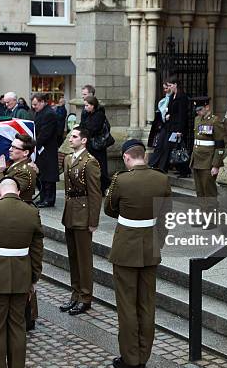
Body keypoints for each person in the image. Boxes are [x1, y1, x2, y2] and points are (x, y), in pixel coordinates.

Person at [104, 139, 171, 368]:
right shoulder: (161, 179)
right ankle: (143, 356)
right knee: (146, 304)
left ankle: (130, 358)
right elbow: (165, 216)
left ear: (126, 157)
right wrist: (157, 241)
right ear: (145, 156)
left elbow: (109, 208)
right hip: (150, 248)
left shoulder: (121, 180)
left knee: (127, 306)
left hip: (125, 248)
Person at [0, 178, 43, 368]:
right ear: (18, 192)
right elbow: (37, 250)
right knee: (18, 326)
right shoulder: (32, 212)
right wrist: (34, 277)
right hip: (22, 274)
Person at [0, 133, 39, 329]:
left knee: (24, 267)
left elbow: (4, 188)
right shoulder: (17, 166)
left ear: (26, 153)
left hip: (21, 218)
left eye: (15, 148)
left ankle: (28, 316)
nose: (10, 150)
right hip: (15, 214)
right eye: (11, 146)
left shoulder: (25, 171)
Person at [59, 127, 101, 316]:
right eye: (70, 136)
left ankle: (85, 297)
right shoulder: (69, 158)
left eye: (74, 137)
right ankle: (75, 293)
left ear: (83, 140)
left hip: (83, 214)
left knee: (84, 259)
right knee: (73, 257)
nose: (70, 139)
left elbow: (95, 193)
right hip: (71, 212)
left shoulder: (90, 162)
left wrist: (93, 221)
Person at [189, 97, 226, 199]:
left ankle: (211, 213)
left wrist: (216, 165)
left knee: (209, 191)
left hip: (208, 161)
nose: (198, 112)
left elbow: (220, 146)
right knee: (199, 191)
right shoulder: (197, 119)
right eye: (196, 110)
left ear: (207, 107)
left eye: (200, 110)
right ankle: (203, 212)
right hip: (197, 160)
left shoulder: (215, 121)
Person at [32, 93, 59, 208]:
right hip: (41, 148)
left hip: (48, 149)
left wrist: (34, 143)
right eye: (33, 104)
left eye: (36, 104)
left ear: (43, 102)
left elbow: (45, 134)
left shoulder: (49, 114)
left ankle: (49, 199)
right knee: (42, 174)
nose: (34, 106)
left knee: (48, 176)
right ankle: (43, 198)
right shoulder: (41, 112)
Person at [80, 96, 110, 194]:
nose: (85, 108)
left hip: (97, 146)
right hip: (90, 145)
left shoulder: (99, 115)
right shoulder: (87, 114)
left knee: (100, 167)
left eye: (87, 105)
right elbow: (83, 126)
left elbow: (92, 129)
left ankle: (103, 187)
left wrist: (84, 129)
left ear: (93, 105)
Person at [165, 76, 190, 178]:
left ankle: (185, 169)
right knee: (174, 148)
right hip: (172, 126)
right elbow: (172, 110)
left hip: (179, 127)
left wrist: (180, 130)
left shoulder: (182, 96)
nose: (169, 87)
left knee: (180, 148)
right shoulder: (172, 96)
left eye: (170, 85)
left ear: (176, 84)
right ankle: (180, 167)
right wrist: (168, 115)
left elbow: (182, 114)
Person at [148, 83, 171, 170]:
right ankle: (153, 164)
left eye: (166, 88)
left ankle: (182, 168)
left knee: (167, 147)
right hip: (163, 126)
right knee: (160, 146)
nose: (164, 90)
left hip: (170, 126)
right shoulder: (163, 101)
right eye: (164, 88)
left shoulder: (172, 98)